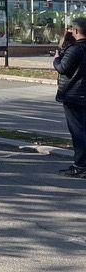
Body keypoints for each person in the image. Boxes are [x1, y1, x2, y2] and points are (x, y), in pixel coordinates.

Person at [54, 17, 86, 177]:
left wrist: (57, 56)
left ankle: (80, 166)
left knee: (78, 132)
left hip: (73, 96)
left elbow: (62, 68)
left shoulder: (74, 49)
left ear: (76, 31)